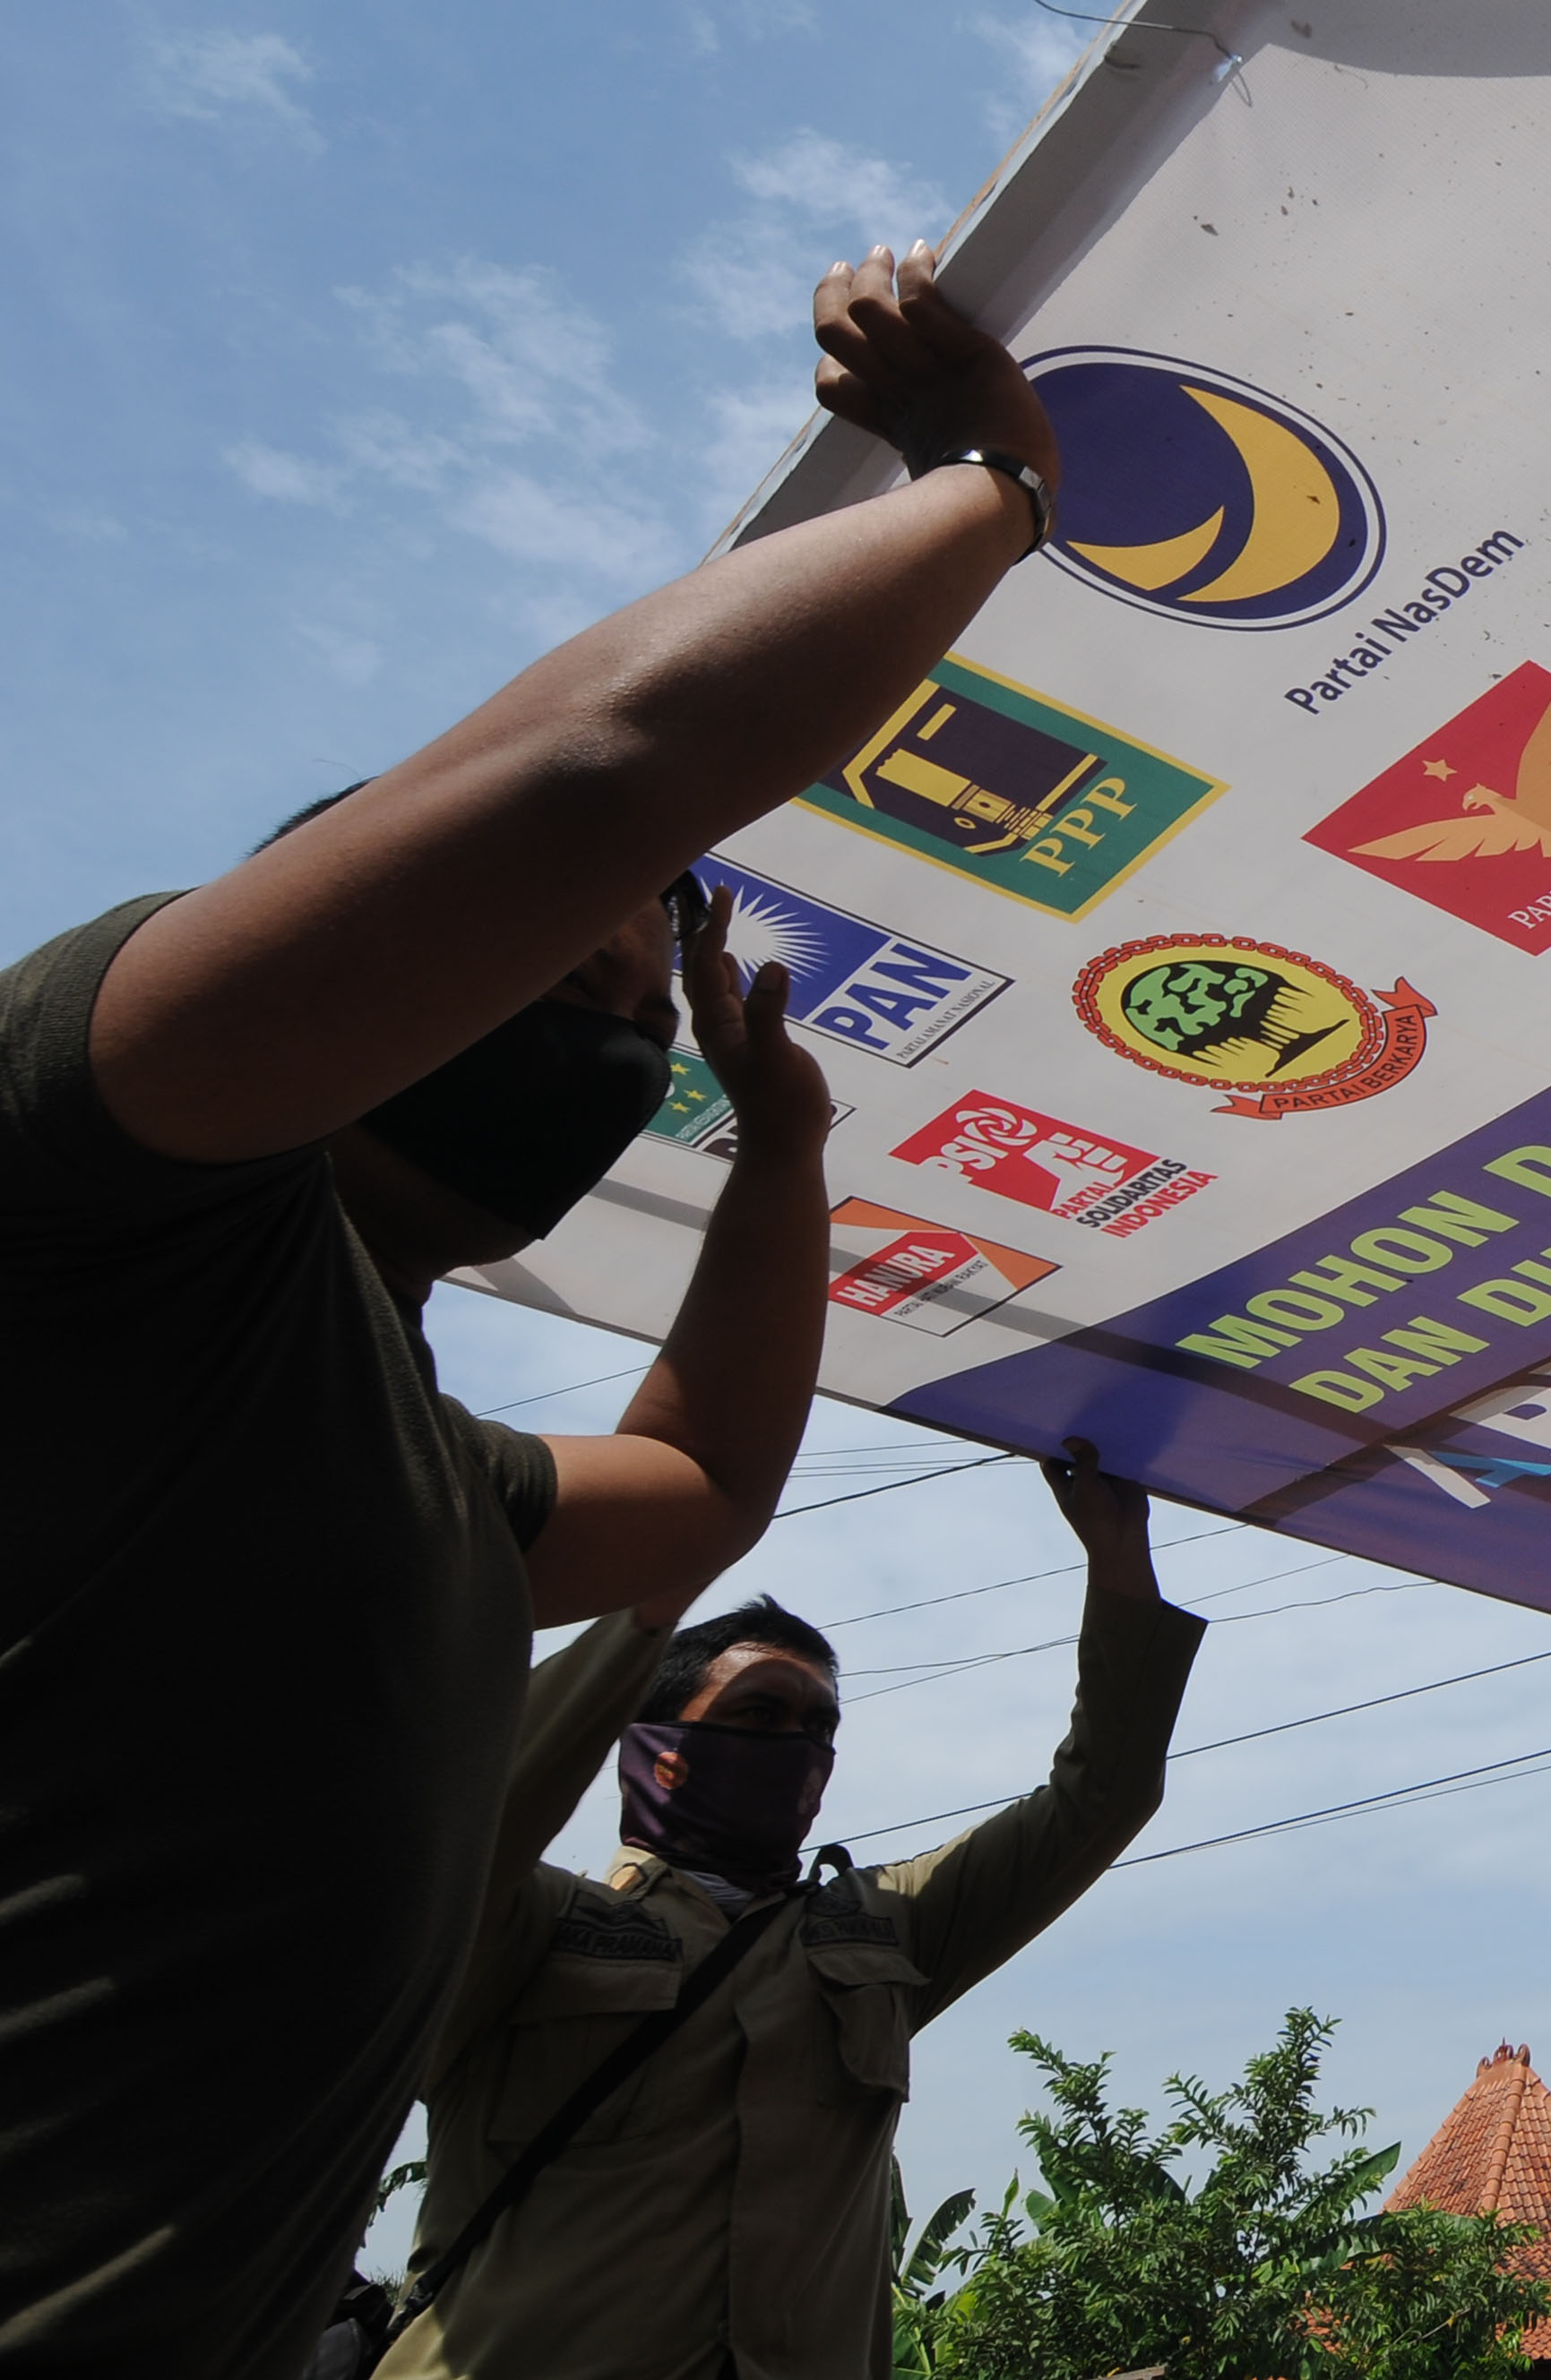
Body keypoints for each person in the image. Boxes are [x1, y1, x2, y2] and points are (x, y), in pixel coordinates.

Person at [0, 245, 1062, 2377]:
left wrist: (778, 1149)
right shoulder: (94, 1174)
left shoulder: (409, 1454)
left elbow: (697, 1481)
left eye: (637, 998)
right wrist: (993, 481)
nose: (623, 995)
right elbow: (605, 768)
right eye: (569, 950)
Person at [383, 1441, 1202, 2380]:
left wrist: (1116, 1553)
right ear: (657, 1753)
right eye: (760, 1713)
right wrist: (644, 1605)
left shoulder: (885, 1923)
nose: (800, 1746)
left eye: (820, 1727)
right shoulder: (527, 1921)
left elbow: (1100, 1797)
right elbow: (459, 1807)